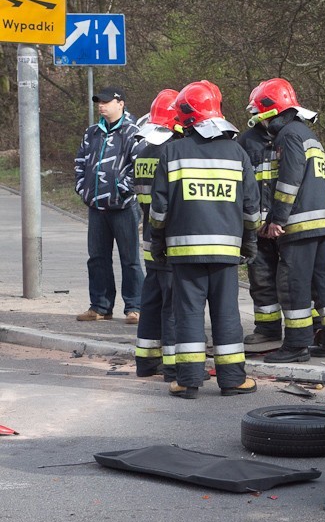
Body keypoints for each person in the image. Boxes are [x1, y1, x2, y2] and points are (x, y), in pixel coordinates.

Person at [149, 80, 260, 399]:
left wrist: (158, 244)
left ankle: (188, 380)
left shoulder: (172, 151)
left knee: (188, 315)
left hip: (185, 253)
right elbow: (252, 209)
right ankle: (232, 379)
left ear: (185, 117)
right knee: (227, 314)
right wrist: (248, 244)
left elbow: (158, 210)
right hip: (226, 253)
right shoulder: (237, 152)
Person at [257, 78, 325, 363]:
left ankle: (296, 345)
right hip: (318, 224)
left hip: (297, 225)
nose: (262, 121)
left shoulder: (288, 136)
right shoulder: (307, 133)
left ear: (273, 111)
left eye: (263, 114)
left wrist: (276, 219)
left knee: (293, 284)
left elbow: (289, 180)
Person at [74, 86, 144, 324]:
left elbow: (139, 167)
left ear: (120, 103)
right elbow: (81, 162)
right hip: (96, 207)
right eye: (99, 102)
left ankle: (135, 307)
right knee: (97, 258)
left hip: (123, 207)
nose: (101, 106)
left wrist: (122, 190)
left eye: (106, 102)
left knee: (130, 259)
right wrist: (84, 189)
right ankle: (100, 306)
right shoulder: (92, 132)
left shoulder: (134, 132)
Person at [133, 89, 183, 379]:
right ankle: (173, 364)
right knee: (173, 305)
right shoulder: (171, 152)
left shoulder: (144, 151)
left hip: (150, 239)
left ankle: (146, 361)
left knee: (150, 302)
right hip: (169, 241)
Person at [237, 82, 283, 351]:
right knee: (261, 278)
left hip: (284, 224)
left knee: (296, 281)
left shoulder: (289, 137)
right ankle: (267, 329)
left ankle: (311, 331)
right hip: (257, 223)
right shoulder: (247, 140)